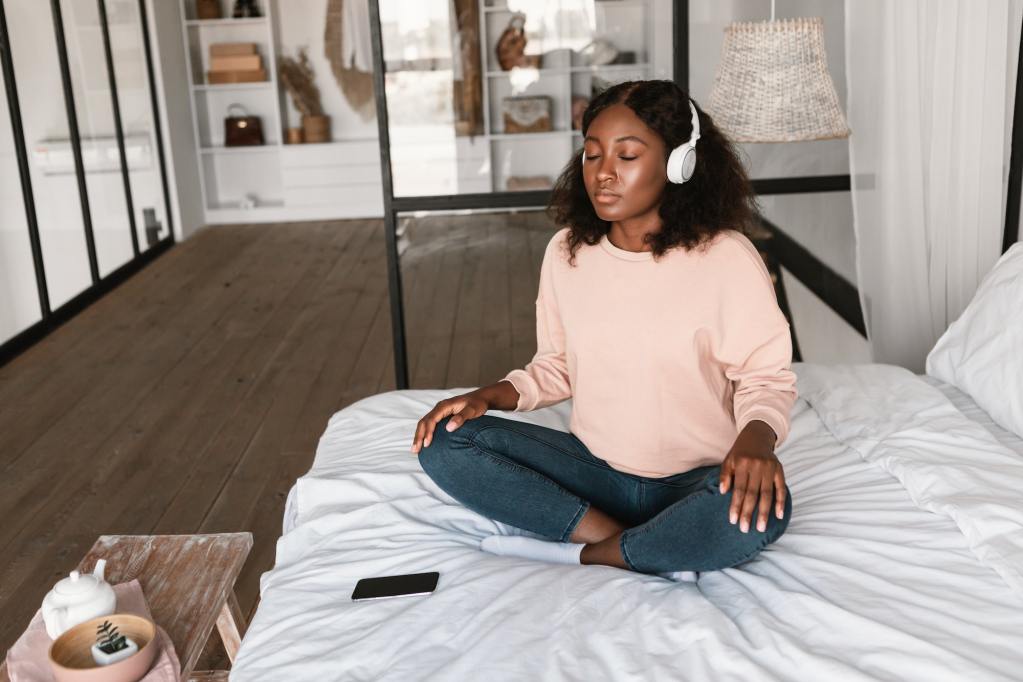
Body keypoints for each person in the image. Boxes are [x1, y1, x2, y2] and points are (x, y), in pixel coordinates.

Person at [410, 79, 797, 581]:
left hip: (698, 479)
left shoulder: (725, 257)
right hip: (596, 473)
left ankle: (590, 552)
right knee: (445, 440)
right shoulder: (567, 252)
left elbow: (766, 379)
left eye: (628, 156)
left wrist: (757, 443)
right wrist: (491, 396)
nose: (604, 174)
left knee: (762, 513)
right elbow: (555, 366)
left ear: (679, 162)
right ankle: (637, 543)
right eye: (592, 155)